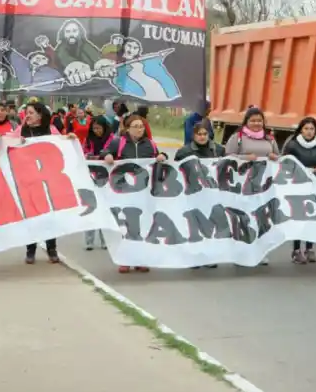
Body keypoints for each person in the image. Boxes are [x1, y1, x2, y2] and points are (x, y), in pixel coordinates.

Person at [102, 114, 166, 274]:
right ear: (128, 128)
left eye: (142, 126)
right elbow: (105, 152)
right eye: (136, 126)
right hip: (124, 191)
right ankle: (125, 259)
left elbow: (159, 157)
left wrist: (163, 156)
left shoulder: (149, 144)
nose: (139, 129)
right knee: (127, 226)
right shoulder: (119, 142)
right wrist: (107, 156)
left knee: (143, 226)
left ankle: (141, 259)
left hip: (145, 191)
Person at [225, 106, 279, 266]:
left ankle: (260, 251)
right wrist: (244, 157)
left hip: (264, 185)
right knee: (242, 217)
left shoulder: (270, 139)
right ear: (246, 122)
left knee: (263, 217)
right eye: (253, 120)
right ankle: (240, 252)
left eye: (259, 120)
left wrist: (274, 156)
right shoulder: (238, 137)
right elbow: (227, 156)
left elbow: (279, 157)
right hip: (242, 185)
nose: (256, 123)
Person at [282, 116, 316, 264]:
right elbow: (284, 162)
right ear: (301, 130)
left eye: (312, 129)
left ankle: (309, 248)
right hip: (298, 184)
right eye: (306, 129)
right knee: (299, 217)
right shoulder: (293, 145)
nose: (309, 132)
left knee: (313, 217)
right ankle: (296, 250)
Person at [175, 122, 225, 269]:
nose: (202, 137)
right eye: (199, 134)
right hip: (193, 192)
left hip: (212, 193)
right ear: (193, 135)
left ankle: (209, 256)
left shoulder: (219, 150)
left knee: (210, 224)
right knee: (194, 225)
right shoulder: (184, 152)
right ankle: (194, 256)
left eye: (205, 134)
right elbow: (177, 171)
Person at [18, 101, 61, 264]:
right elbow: (7, 142)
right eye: (26, 113)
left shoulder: (51, 131)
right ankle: (31, 250)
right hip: (28, 181)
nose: (27, 116)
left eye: (30, 113)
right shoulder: (21, 131)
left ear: (40, 115)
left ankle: (52, 249)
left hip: (48, 181)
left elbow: (62, 145)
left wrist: (70, 139)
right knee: (31, 216)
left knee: (50, 217)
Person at [83, 116, 113, 251]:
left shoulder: (112, 139)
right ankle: (89, 241)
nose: (96, 131)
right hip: (91, 176)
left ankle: (105, 239)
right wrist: (90, 156)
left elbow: (114, 154)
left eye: (99, 128)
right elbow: (83, 153)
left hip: (107, 178)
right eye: (94, 128)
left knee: (105, 209)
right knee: (91, 207)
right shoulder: (88, 139)